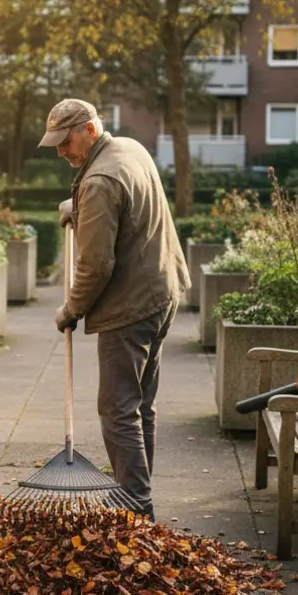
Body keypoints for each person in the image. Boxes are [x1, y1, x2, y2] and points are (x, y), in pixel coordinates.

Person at [39, 98, 190, 521]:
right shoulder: (128, 148)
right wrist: (81, 210)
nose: (60, 152)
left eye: (64, 141)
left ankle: (135, 504)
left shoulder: (98, 181)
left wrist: (70, 310)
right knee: (141, 403)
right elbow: (127, 205)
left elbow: (94, 266)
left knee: (118, 408)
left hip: (132, 305)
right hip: (163, 291)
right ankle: (134, 493)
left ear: (88, 130)